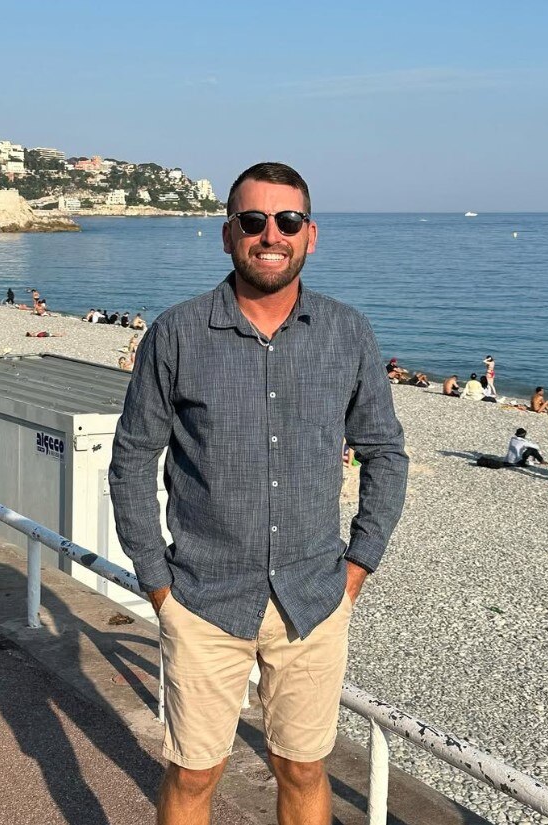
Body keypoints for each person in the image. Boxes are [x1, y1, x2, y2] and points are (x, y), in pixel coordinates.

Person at [108, 162, 408, 825]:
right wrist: (157, 584)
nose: (269, 234)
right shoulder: (177, 333)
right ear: (227, 235)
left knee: (302, 767)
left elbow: (384, 451)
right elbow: (131, 456)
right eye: (252, 221)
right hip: (202, 599)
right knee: (192, 773)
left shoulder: (347, 332)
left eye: (286, 221)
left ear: (309, 235)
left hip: (314, 596)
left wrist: (357, 567)